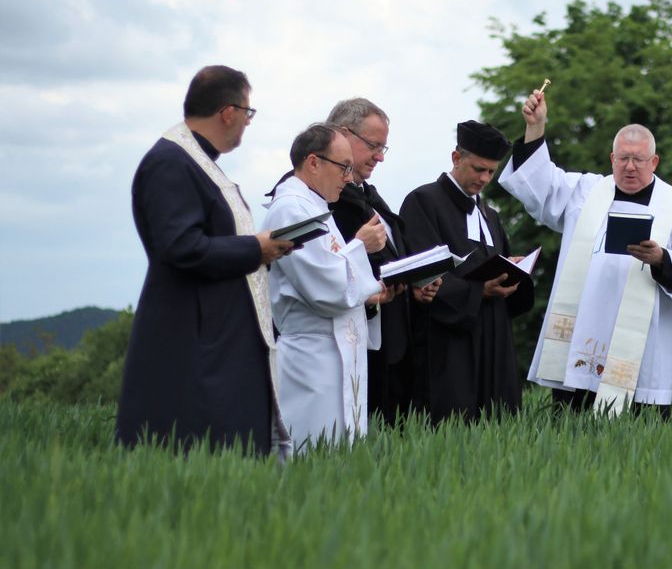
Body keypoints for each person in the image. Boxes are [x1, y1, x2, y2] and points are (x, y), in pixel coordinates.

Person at [117, 64, 294, 457]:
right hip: (194, 339)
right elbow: (181, 247)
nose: (248, 123)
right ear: (228, 112)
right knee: (197, 455)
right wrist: (256, 248)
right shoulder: (171, 161)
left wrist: (263, 248)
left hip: (215, 332)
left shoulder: (197, 160)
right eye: (249, 113)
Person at [498, 90, 672, 417]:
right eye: (622, 158)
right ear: (612, 159)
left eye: (638, 159)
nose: (629, 166)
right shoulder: (586, 191)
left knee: (640, 434)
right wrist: (536, 128)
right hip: (582, 331)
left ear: (654, 161)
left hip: (642, 343)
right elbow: (539, 186)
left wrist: (662, 259)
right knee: (574, 427)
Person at [262, 123, 388, 450]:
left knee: (341, 459)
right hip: (311, 357)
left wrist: (370, 294)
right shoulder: (290, 208)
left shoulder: (317, 207)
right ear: (314, 162)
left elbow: (335, 273)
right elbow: (324, 290)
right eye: (343, 167)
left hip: (336, 351)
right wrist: (361, 245)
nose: (349, 177)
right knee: (311, 454)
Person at [398, 119, 534, 424]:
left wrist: (513, 271)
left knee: (498, 429)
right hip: (450, 345)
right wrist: (479, 290)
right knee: (452, 429)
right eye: (478, 169)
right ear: (456, 158)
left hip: (495, 338)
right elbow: (423, 277)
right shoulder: (423, 202)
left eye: (491, 171)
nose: (485, 178)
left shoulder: (490, 215)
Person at [326, 98, 439, 426]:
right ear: (344, 134)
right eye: (374, 145)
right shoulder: (327, 201)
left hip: (394, 337)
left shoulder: (371, 196)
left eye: (383, 148)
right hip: (355, 341)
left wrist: (418, 283)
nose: (379, 156)